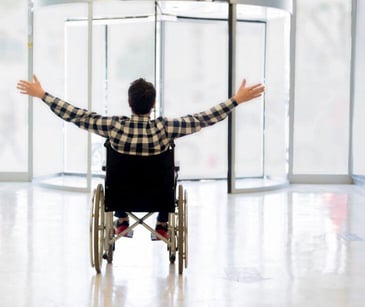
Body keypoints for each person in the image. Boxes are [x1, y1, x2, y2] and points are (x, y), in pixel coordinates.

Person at [17, 75, 264, 239]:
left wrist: (43, 95)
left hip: (120, 194)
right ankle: (162, 224)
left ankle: (122, 219)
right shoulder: (165, 127)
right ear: (153, 103)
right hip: (159, 196)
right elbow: (203, 118)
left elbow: (76, 115)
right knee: (170, 174)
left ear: (129, 102)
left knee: (117, 172)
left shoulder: (114, 126)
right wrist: (235, 100)